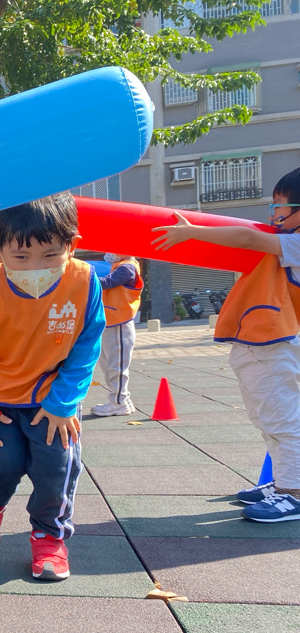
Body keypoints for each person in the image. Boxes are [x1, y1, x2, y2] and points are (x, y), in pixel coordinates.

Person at [0, 193, 105, 580]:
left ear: (72, 246)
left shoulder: (84, 282)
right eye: (20, 257)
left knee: (57, 468)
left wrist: (63, 402)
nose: (36, 267)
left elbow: (87, 343)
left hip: (52, 400)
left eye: (51, 255)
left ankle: (49, 537)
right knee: (1, 466)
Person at [152, 167, 300, 523]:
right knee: (266, 418)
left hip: (274, 345)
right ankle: (284, 481)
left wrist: (192, 231)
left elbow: (247, 238)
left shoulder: (295, 243)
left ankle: (294, 493)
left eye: (279, 206)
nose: (273, 214)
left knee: (282, 419)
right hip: (260, 345)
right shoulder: (286, 241)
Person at [90, 253, 144, 417]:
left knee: (116, 366)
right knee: (109, 365)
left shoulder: (127, 267)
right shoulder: (120, 266)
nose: (109, 253)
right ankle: (123, 400)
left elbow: (107, 282)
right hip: (111, 320)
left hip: (119, 321)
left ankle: (119, 403)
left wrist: (82, 278)